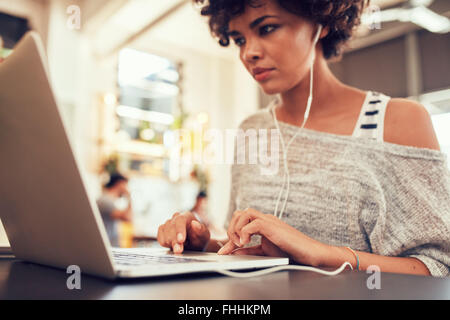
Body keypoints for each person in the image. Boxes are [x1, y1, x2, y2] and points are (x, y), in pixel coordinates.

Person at [157, 0, 450, 276]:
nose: (249, 53)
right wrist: (202, 244)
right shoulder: (252, 130)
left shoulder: (398, 121)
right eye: (239, 39)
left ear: (321, 23)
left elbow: (438, 267)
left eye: (267, 28)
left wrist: (320, 253)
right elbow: (244, 251)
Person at [97, 173, 133, 247]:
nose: (127, 188)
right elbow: (128, 218)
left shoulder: (108, 200)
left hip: (110, 245)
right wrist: (129, 196)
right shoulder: (105, 201)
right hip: (107, 246)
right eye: (125, 185)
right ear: (120, 184)